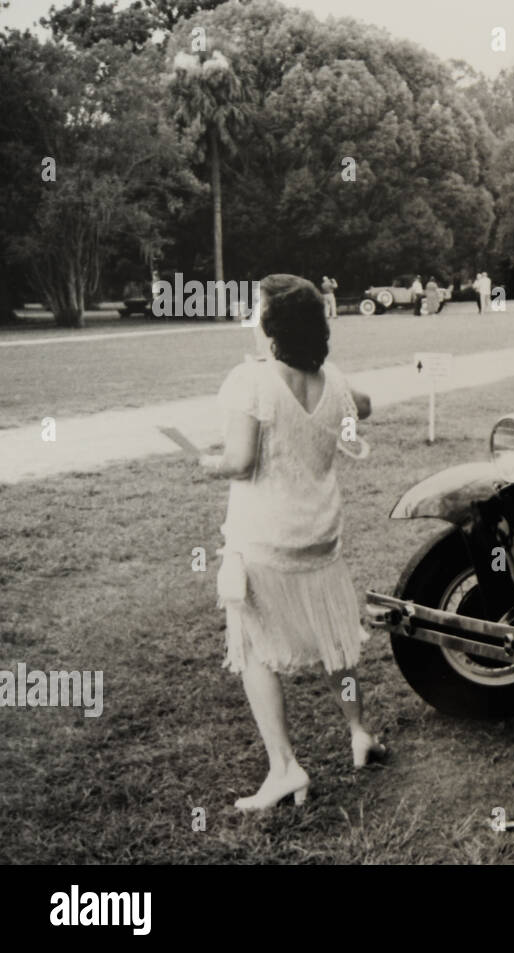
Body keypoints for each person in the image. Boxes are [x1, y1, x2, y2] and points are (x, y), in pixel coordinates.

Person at [200, 273, 385, 812]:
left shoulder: (249, 380)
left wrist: (206, 461)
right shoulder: (334, 379)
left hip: (266, 541)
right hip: (320, 538)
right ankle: (358, 732)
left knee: (254, 647)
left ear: (268, 324)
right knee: (334, 644)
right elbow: (363, 407)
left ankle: (284, 768)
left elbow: (239, 462)